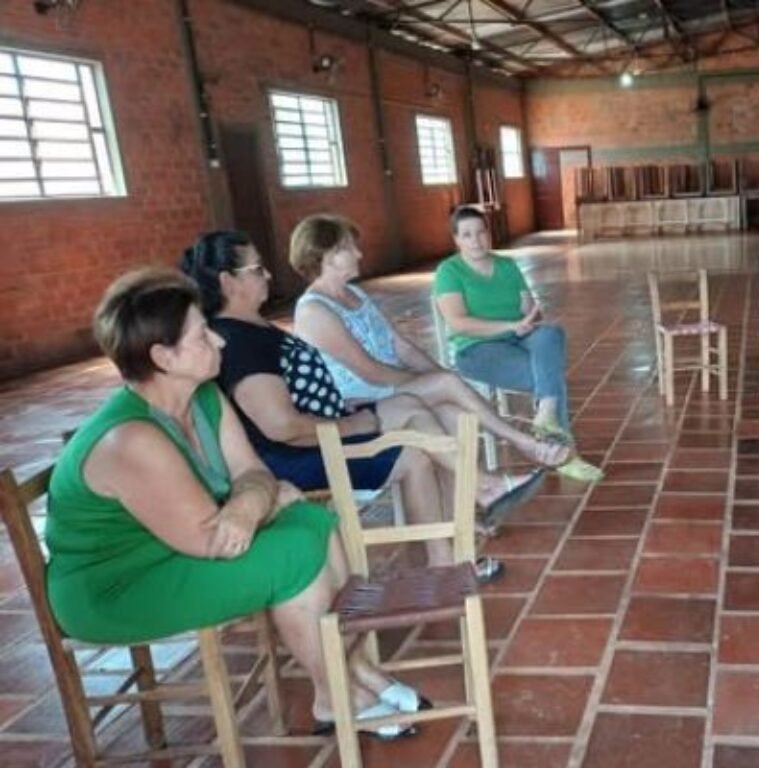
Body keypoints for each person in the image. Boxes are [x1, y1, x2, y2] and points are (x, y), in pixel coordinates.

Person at [46, 268, 425, 735]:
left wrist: (251, 501)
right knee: (293, 555)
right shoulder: (132, 439)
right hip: (117, 588)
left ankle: (354, 670)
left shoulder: (204, 396)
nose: (220, 342)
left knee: (313, 519)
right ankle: (333, 696)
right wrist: (257, 502)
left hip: (171, 550)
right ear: (163, 355)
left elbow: (254, 474)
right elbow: (215, 539)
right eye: (202, 335)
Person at [179, 232, 533, 581]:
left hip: (327, 425)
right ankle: (473, 507)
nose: (268, 275)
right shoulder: (238, 341)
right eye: (257, 269)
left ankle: (456, 540)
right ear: (228, 282)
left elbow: (295, 395)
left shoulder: (252, 327)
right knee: (416, 444)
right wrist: (353, 425)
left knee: (418, 415)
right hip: (296, 456)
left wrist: (342, 404)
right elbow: (280, 426)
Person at [287, 213, 575, 474]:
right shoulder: (314, 311)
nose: (359, 253)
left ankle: (472, 500)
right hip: (359, 400)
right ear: (326, 255)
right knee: (451, 387)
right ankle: (524, 443)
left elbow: (404, 348)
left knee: (455, 411)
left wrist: (438, 375)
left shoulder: (354, 294)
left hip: (387, 386)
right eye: (349, 248)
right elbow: (369, 371)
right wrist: (437, 380)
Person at [432, 206, 604, 483]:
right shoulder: (449, 271)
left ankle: (546, 414)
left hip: (518, 337)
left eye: (480, 232)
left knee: (550, 334)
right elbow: (458, 322)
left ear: (489, 234)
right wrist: (510, 326)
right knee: (549, 376)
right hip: (476, 349)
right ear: (456, 240)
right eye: (467, 235)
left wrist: (530, 315)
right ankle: (564, 456)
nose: (476, 240)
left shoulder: (507, 266)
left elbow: (528, 307)